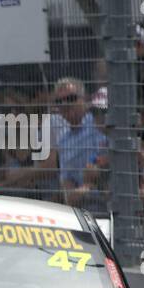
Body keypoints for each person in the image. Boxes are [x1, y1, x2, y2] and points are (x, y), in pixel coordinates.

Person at [50, 77, 108, 212]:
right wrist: (88, 187)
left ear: (84, 99)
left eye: (70, 98)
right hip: (86, 209)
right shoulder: (63, 143)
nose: (65, 104)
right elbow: (69, 195)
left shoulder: (99, 120)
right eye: (59, 101)